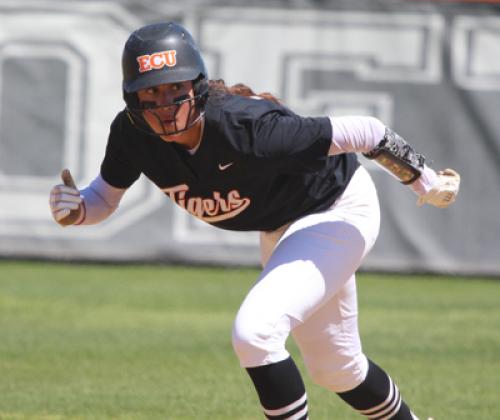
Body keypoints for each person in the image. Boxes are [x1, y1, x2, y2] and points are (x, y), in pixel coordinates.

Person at [49, 22, 460, 419]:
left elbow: (368, 132)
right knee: (337, 369)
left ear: (199, 85)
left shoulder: (246, 127)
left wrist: (425, 181)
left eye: (176, 88)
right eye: (152, 93)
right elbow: (103, 196)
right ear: (132, 99)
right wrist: (78, 208)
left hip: (334, 210)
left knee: (256, 333)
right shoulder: (132, 135)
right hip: (284, 229)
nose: (166, 106)